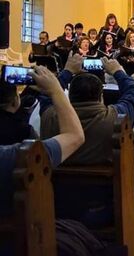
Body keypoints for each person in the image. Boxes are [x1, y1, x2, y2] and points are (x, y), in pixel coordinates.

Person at [39, 54, 134, 242]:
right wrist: (117, 71)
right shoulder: (114, 118)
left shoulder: (50, 116)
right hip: (102, 205)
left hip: (59, 205)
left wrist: (67, 71)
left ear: (68, 97)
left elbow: (46, 94)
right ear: (101, 96)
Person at [1, 65, 84, 218]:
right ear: (14, 102)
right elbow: (74, 136)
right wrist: (55, 89)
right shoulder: (17, 145)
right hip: (26, 222)